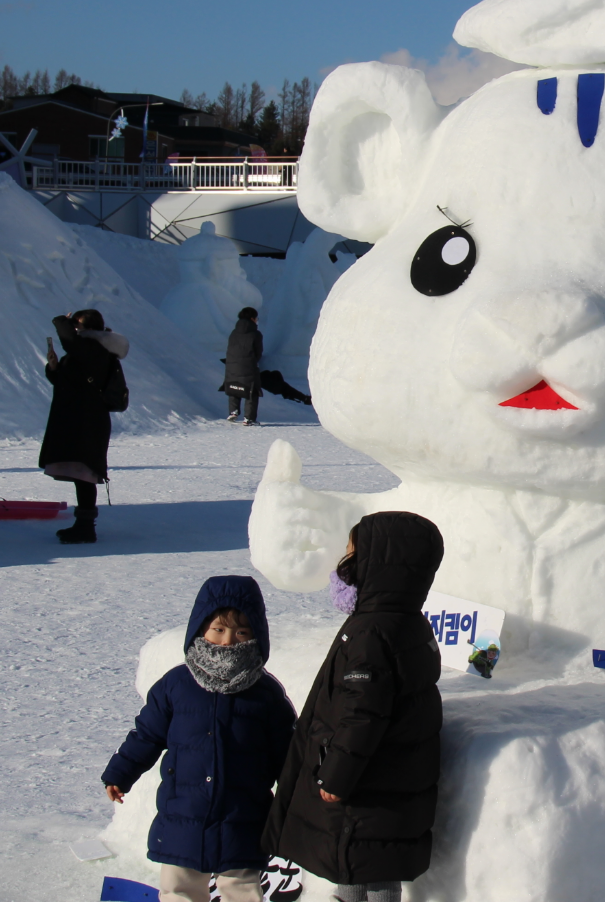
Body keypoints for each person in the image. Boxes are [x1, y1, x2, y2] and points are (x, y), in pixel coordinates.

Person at [264, 513, 445, 902]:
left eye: (351, 553)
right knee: (358, 861)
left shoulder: (371, 631)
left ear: (378, 565)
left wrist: (336, 774)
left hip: (366, 783)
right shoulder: (403, 621)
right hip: (388, 778)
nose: (343, 562)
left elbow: (364, 712)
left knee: (369, 866)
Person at [101, 576, 296, 902]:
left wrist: (298, 798)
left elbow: (288, 753)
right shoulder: (177, 685)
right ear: (200, 628)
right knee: (180, 890)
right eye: (218, 629)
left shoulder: (265, 694)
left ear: (256, 635)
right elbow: (147, 735)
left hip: (243, 817)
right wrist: (121, 773)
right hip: (184, 816)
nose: (228, 640)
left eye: (241, 632)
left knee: (242, 891)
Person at [39, 309, 128, 544]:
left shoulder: (93, 348)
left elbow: (69, 340)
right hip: (80, 419)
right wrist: (54, 368)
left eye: (76, 326)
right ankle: (83, 525)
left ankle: (86, 527)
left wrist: (61, 320)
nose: (74, 330)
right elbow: (66, 382)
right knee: (82, 474)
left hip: (87, 421)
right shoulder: (88, 350)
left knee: (86, 473)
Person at [222, 307, 263, 426]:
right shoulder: (256, 334)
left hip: (231, 366)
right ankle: (248, 418)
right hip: (248, 366)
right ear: (252, 318)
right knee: (252, 390)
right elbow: (258, 352)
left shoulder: (233, 333)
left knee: (234, 386)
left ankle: (233, 412)